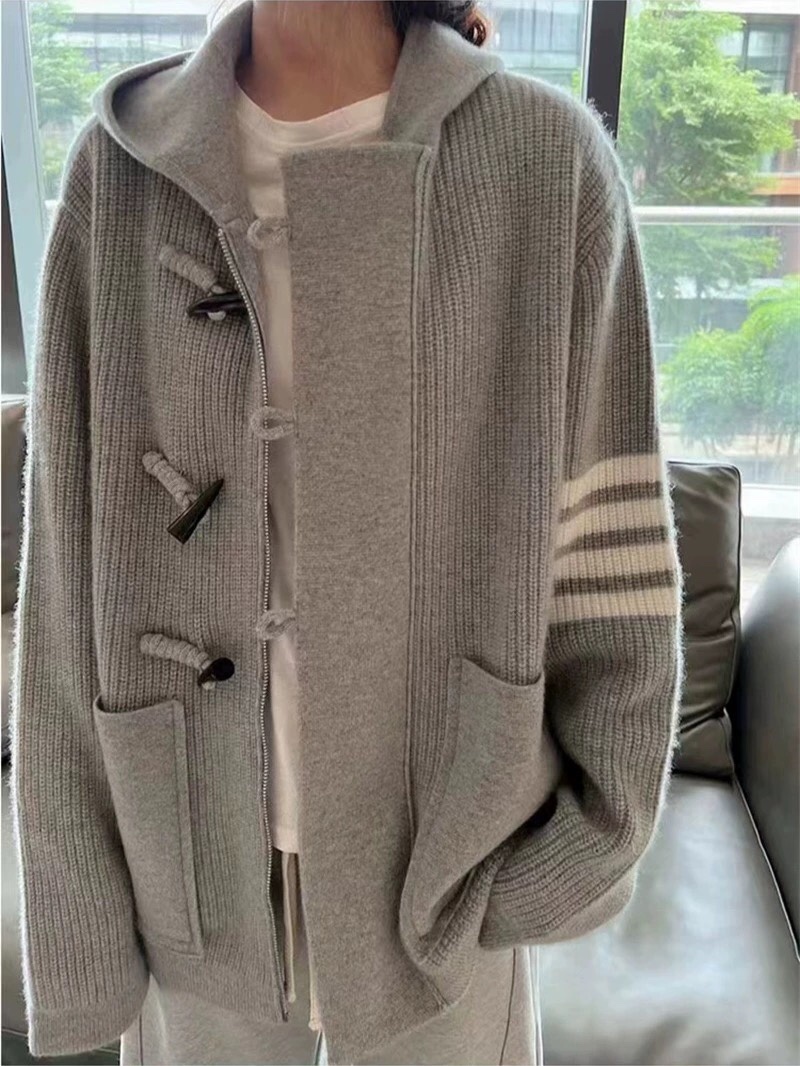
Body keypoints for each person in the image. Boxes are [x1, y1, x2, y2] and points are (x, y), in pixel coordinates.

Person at [8, 1, 685, 1064]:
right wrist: (80, 917)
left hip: (447, 861)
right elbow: (63, 573)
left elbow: (611, 546)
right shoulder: (123, 169)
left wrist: (584, 846)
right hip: (185, 852)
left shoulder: (543, 162)